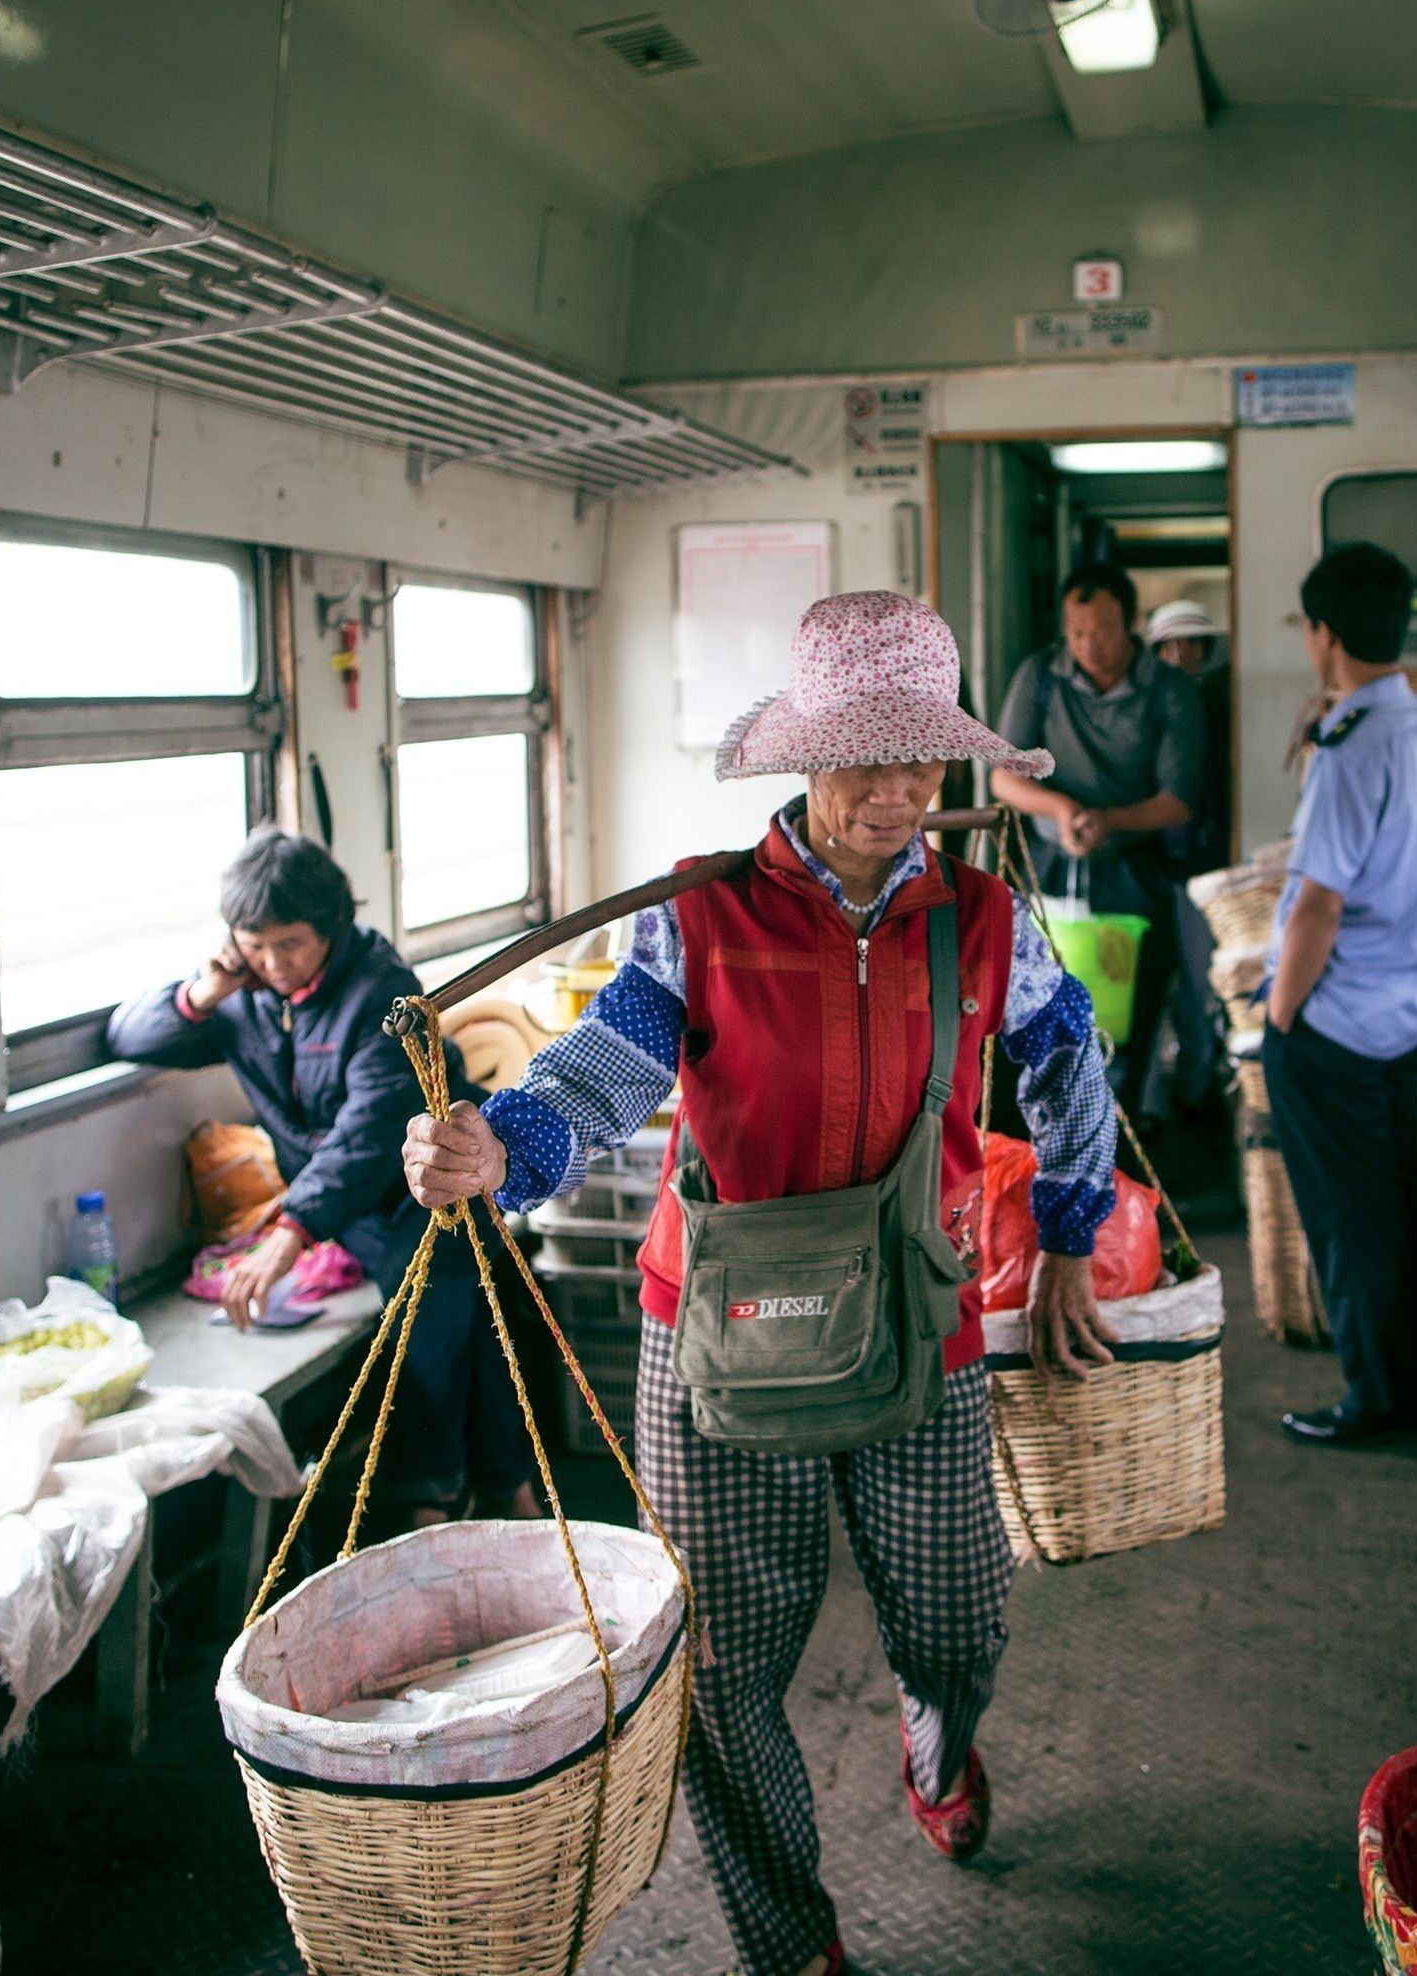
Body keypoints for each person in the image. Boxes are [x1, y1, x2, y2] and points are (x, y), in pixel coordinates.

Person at [401, 592, 1121, 1976]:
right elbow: (606, 1071)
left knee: (963, 1616)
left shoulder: (980, 918)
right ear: (802, 756)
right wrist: (501, 1143)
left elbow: (1072, 1057)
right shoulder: (702, 916)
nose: (898, 792)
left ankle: (938, 1742)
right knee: (727, 1678)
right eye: (865, 757)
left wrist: (1076, 1231)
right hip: (720, 1337)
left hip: (918, 1318)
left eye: (924, 761)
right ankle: (789, 1937)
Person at [107, 828, 538, 1522]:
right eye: (255, 945)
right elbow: (130, 1036)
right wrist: (204, 991)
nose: (273, 962)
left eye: (290, 944)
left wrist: (290, 1232)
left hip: (430, 1191)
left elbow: (367, 1134)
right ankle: (503, 1488)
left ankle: (439, 1494)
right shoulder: (242, 994)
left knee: (433, 1324)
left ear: (331, 930)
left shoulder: (382, 990)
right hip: (347, 1205)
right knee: (468, 1330)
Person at [1263, 543, 1417, 1448]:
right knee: (1397, 1208)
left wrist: (1278, 1016)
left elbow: (1317, 901)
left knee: (1349, 1224)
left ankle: (1378, 1402)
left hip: (1334, 1022)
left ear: (1325, 634)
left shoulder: (1350, 748)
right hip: (1402, 1014)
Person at [989, 560, 1208, 1117]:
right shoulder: (1040, 675)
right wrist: (1063, 809)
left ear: (1133, 622)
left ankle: (1124, 1149)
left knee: (1127, 1017)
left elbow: (1179, 798)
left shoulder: (1171, 691)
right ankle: (1050, 1144)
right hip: (1047, 867)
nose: (1089, 646)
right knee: (1043, 1013)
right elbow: (1003, 776)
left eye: (1103, 631)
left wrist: (1108, 821)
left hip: (1137, 870)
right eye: (1078, 632)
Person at [1147, 597, 1235, 1114]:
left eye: (1190, 643)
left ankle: (1196, 1088)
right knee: (1152, 988)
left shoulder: (1221, 703)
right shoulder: (1146, 706)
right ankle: (1153, 1100)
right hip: (1148, 864)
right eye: (1169, 645)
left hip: (1203, 863)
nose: (1180, 653)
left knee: (1201, 985)